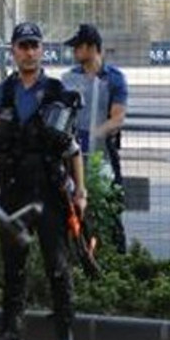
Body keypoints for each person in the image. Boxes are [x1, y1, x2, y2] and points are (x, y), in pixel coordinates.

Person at [0, 21, 85, 340]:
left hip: (50, 193)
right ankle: (11, 333)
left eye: (34, 46)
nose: (28, 52)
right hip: (14, 193)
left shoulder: (56, 90)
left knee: (57, 264)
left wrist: (81, 191)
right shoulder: (4, 92)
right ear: (13, 51)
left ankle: (65, 336)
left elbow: (73, 148)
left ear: (42, 50)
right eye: (22, 46)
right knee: (13, 266)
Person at [60, 23, 128, 252]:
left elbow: (117, 118)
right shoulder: (69, 79)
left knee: (110, 209)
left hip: (103, 153)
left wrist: (94, 136)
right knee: (72, 208)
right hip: (72, 154)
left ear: (90, 47)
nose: (73, 52)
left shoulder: (114, 78)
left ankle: (117, 258)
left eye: (77, 47)